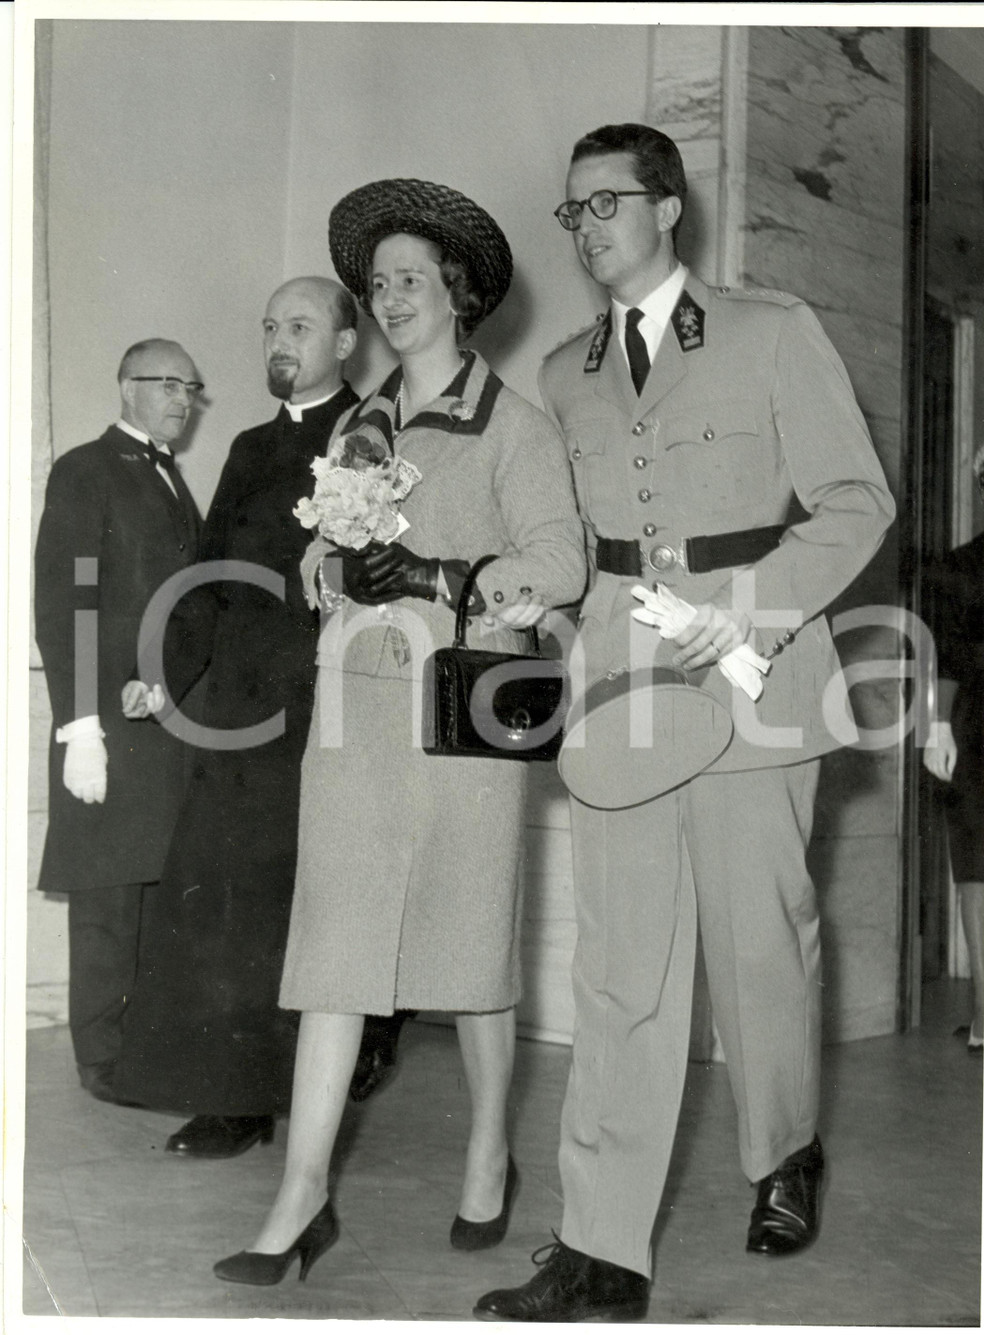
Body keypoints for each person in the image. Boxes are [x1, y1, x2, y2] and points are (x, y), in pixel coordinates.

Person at [474, 123, 896, 1322]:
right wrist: (521, 586)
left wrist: (742, 611)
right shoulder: (560, 375)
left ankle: (784, 1150)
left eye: (606, 201)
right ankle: (601, 1248)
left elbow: (856, 501)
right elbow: (571, 546)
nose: (587, 225)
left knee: (760, 943)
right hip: (622, 694)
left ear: (668, 209)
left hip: (754, 677)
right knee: (619, 970)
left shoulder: (771, 332)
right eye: (572, 210)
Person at [212, 178, 585, 1285]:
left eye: (410, 280)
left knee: (469, 955)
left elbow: (560, 563)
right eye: (377, 285)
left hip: (464, 712)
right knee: (333, 946)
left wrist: (441, 573)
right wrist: (332, 566)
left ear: (459, 294)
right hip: (356, 715)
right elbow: (316, 555)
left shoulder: (514, 426)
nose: (389, 299)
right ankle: (302, 1193)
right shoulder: (356, 430)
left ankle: (485, 1152)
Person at [115, 279, 410, 1155]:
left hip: (330, 705)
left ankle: (349, 1054)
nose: (280, 342)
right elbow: (207, 578)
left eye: (301, 326)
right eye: (271, 327)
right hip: (240, 711)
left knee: (306, 903)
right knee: (224, 901)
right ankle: (234, 1095)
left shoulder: (378, 435)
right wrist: (164, 677)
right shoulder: (247, 445)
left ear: (348, 341)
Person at [34, 338, 204, 1103]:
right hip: (104, 724)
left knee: (149, 896)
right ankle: (101, 1059)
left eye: (189, 386)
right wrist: (79, 727)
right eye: (163, 382)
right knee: (106, 902)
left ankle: (135, 1048)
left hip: (161, 722)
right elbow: (65, 601)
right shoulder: (85, 469)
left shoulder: (170, 479)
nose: (179, 397)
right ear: (124, 388)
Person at [923, 442, 984, 1055]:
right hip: (974, 731)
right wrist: (936, 727)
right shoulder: (959, 568)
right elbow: (942, 656)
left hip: (969, 727)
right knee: (977, 869)